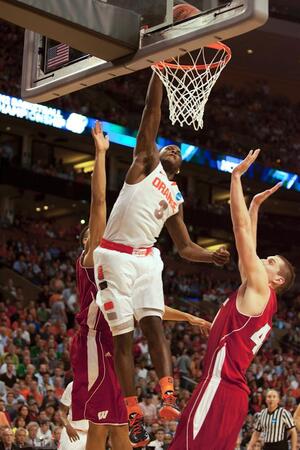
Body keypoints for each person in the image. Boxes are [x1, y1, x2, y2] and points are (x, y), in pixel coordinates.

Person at [93, 72, 230, 447]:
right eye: (168, 147)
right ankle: (135, 415)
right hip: (114, 258)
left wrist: (211, 257)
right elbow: (152, 113)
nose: (172, 150)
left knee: (154, 325)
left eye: (178, 152)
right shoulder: (144, 164)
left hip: (147, 260)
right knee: (124, 341)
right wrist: (159, 69)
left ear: (181, 168)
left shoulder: (175, 199)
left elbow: (184, 247)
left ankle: (168, 396)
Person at [72, 122, 210, 450]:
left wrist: (189, 319)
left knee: (121, 428)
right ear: (86, 240)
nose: (101, 229)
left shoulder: (124, 265)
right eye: (94, 230)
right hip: (95, 344)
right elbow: (99, 202)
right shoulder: (94, 256)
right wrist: (101, 154)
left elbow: (150, 311)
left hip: (115, 344)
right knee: (100, 428)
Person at [168, 150, 295, 450]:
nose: (264, 258)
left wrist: (235, 178)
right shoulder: (257, 294)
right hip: (230, 395)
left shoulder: (261, 289)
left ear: (276, 281)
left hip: (219, 387)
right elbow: (247, 245)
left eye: (272, 261)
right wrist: (254, 207)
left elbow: (241, 234)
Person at [59, 381, 88, 450]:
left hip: (91, 435)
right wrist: (67, 426)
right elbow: (61, 412)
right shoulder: (72, 385)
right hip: (74, 432)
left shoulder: (100, 386)